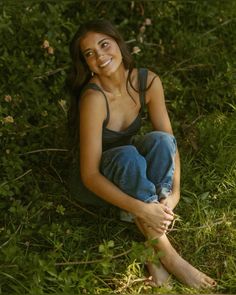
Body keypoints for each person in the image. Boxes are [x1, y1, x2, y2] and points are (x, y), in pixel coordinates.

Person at [68, 19, 216, 289]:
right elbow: (88, 175)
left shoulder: (147, 81)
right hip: (101, 179)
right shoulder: (93, 99)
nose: (100, 56)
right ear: (86, 64)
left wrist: (174, 194)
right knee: (127, 156)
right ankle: (168, 257)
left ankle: (153, 237)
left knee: (160, 140)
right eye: (89, 53)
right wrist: (141, 208)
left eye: (104, 44)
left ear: (118, 44)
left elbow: (170, 143)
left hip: (132, 165)